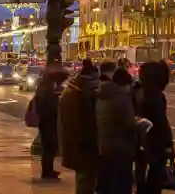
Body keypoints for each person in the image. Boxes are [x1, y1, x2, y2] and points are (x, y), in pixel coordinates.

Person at [58, 59, 100, 194]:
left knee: (82, 178)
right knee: (87, 180)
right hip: (87, 143)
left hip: (72, 142)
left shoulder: (69, 92)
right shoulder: (86, 95)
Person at [96, 67, 137, 194]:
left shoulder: (102, 96)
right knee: (121, 185)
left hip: (104, 147)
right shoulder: (122, 99)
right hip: (121, 149)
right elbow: (129, 125)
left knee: (107, 184)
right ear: (124, 85)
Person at [134, 61, 173, 194]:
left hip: (141, 142)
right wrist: (168, 144)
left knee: (142, 176)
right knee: (154, 180)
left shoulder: (138, 91)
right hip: (154, 144)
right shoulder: (155, 97)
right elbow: (161, 123)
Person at [34, 63, 66, 180]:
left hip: (45, 121)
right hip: (48, 121)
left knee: (48, 147)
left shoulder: (43, 87)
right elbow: (49, 105)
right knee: (49, 147)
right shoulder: (47, 89)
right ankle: (47, 171)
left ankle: (48, 169)